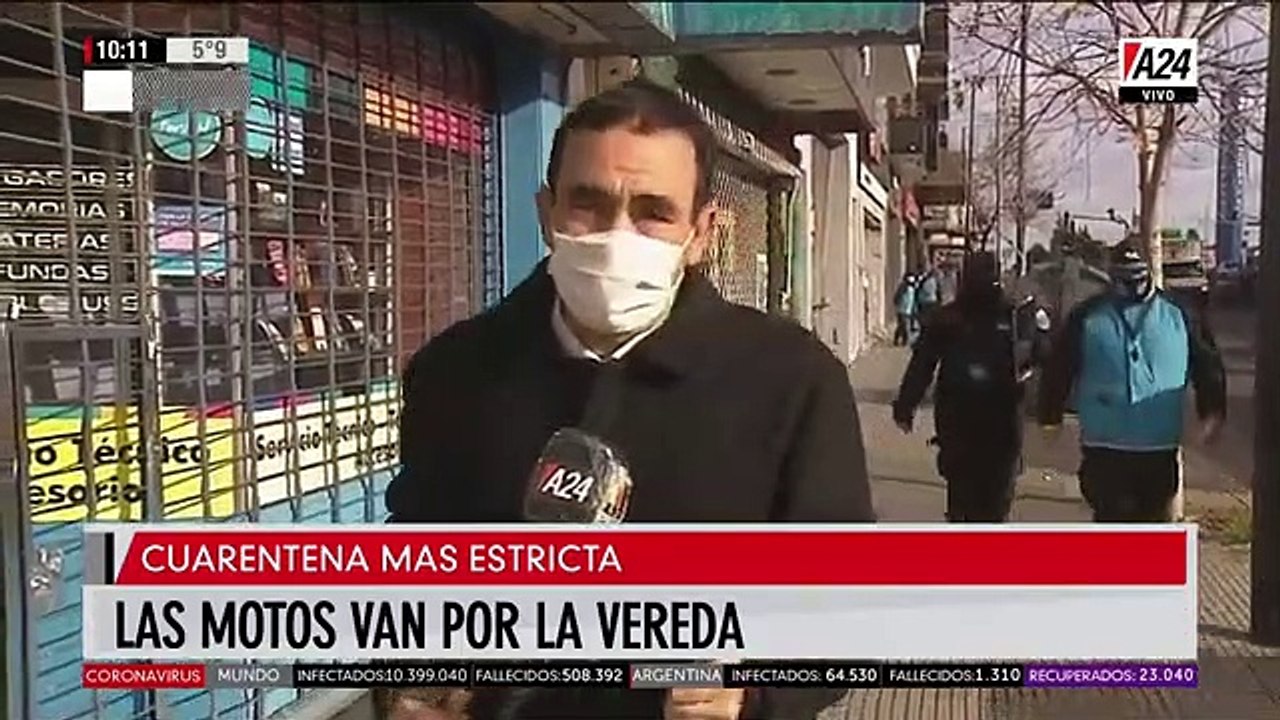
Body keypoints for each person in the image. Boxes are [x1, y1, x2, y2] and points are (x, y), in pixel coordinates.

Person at [386, 79, 873, 720]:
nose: (617, 235)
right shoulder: (454, 373)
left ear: (701, 234)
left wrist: (752, 692)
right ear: (546, 213)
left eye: (653, 212)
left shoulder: (793, 381)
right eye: (588, 203)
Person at [1038, 240, 1226, 522]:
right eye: (1122, 279)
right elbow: (1059, 367)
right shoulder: (1087, 315)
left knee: (1152, 522)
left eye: (1135, 278)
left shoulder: (1180, 313)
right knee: (1112, 523)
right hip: (1104, 447)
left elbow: (1207, 364)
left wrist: (1212, 411)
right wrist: (1050, 416)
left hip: (1158, 448)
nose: (1129, 287)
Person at [891, 251, 1050, 522]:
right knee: (995, 503)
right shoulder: (1012, 316)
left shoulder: (949, 317)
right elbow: (1042, 356)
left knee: (962, 499)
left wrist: (905, 407)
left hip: (959, 422)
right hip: (1001, 423)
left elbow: (921, 365)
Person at [893, 272, 918, 346]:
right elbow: (897, 297)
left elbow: (913, 299)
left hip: (908, 310)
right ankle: (903, 341)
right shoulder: (903, 286)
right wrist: (898, 304)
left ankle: (900, 340)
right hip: (902, 309)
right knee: (904, 326)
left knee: (902, 326)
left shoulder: (913, 287)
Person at [915, 264, 940, 329]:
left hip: (927, 301)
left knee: (926, 317)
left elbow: (928, 290)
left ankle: (926, 327)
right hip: (926, 301)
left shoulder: (930, 281)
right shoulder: (930, 280)